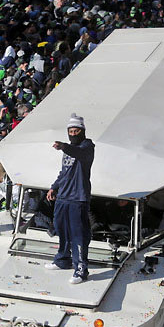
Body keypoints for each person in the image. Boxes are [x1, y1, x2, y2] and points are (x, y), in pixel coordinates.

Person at [45, 113, 95, 284]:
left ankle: (81, 269)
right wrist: (54, 187)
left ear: (82, 131)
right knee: (61, 229)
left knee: (78, 234)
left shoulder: (87, 147)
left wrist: (64, 146)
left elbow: (78, 152)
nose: (73, 134)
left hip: (78, 198)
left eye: (76, 131)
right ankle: (62, 259)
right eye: (70, 131)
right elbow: (64, 172)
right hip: (63, 196)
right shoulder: (67, 151)